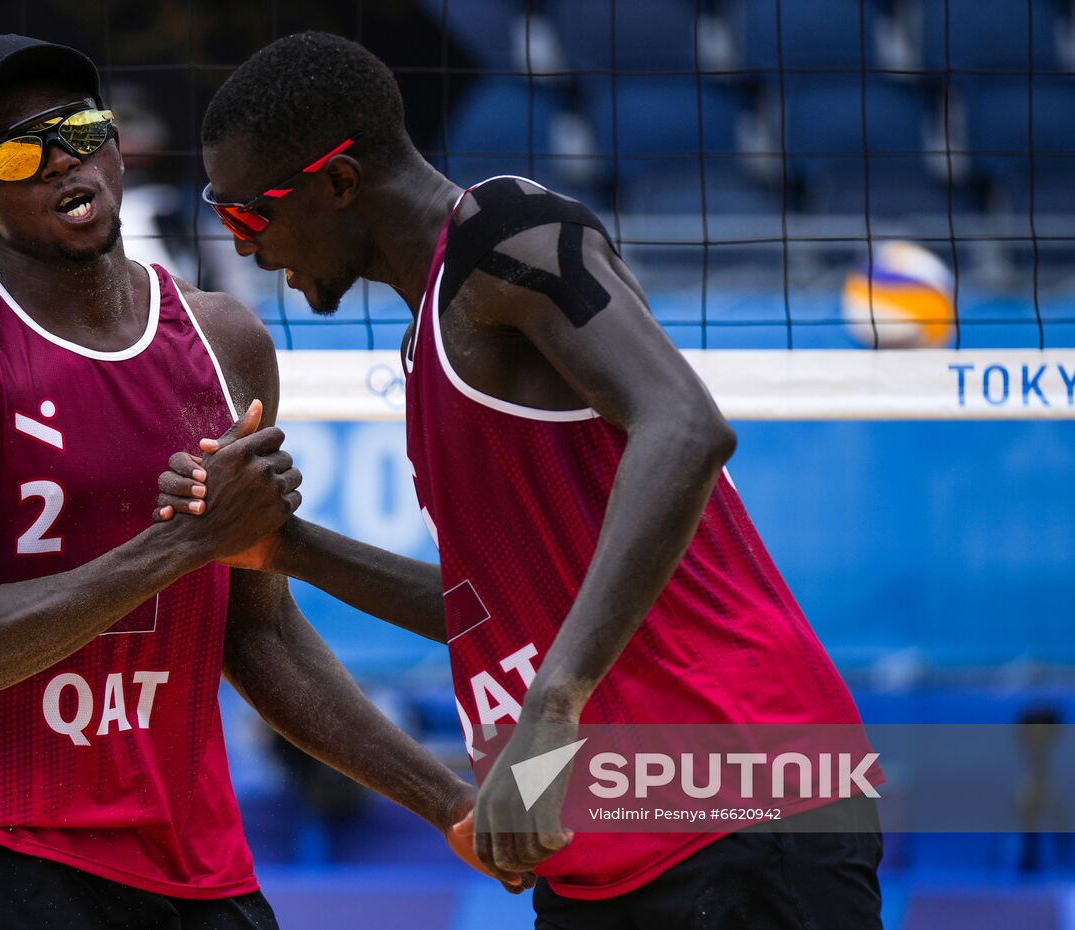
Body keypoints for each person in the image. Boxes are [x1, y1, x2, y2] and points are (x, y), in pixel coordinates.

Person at [174, 30, 884, 930]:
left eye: (248, 216)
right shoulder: (430, 340)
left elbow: (687, 426)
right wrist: (285, 547)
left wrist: (552, 705)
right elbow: (495, 614)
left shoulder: (505, 233)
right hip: (605, 839)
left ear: (339, 183)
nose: (244, 250)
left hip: (738, 794)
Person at [0, 34, 521, 930]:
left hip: (197, 859)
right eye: (22, 151)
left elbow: (262, 637)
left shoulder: (226, 342)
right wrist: (180, 545)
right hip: (5, 848)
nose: (63, 159)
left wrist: (448, 801)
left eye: (82, 129)